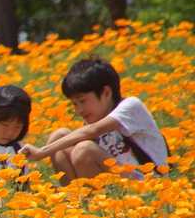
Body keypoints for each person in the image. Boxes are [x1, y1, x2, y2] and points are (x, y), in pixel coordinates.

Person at [20, 57, 168, 185]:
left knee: (84, 149)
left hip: (148, 184)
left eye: (82, 101)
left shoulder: (130, 106)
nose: (79, 110)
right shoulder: (94, 120)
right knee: (59, 136)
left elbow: (94, 131)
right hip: (117, 181)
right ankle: (75, 200)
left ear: (106, 93)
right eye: (74, 104)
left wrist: (41, 152)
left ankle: (91, 202)